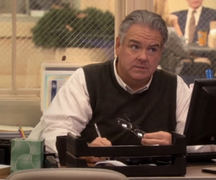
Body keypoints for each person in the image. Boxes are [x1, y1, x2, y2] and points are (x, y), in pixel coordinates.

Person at [29, 9, 192, 162]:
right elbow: (55, 135)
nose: (143, 57)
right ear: (118, 46)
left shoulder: (175, 86)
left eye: (152, 49)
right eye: (134, 47)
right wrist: (84, 151)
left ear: (161, 52)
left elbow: (203, 144)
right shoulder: (86, 80)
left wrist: (177, 142)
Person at [153, 0, 190, 75]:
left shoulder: (142, 30)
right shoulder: (168, 32)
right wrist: (176, 25)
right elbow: (185, 51)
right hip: (167, 74)